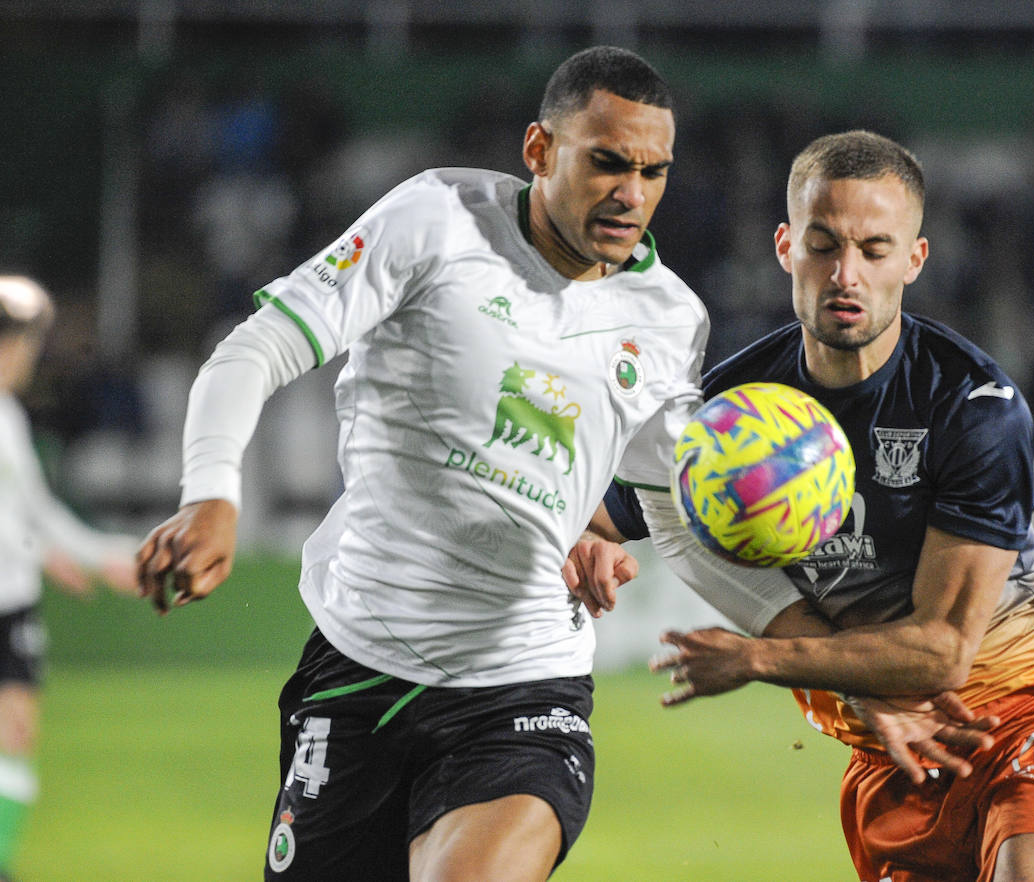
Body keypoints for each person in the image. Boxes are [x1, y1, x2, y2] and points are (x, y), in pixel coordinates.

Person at [135, 46, 701, 882]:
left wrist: (816, 660)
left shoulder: (669, 318)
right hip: (362, 661)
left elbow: (678, 507)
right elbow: (254, 349)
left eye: (654, 172)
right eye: (607, 162)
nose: (632, 194)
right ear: (540, 150)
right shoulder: (438, 217)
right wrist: (212, 493)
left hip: (524, 685)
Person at [592, 131, 1034, 882]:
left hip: (1027, 712)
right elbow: (606, 505)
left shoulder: (973, 405)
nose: (846, 275)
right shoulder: (732, 417)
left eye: (875, 251)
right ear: (786, 247)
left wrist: (758, 658)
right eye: (823, 246)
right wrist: (588, 541)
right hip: (891, 752)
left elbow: (942, 651)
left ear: (913, 260)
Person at [0, 274, 139, 881]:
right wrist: (52, 553)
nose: (27, 355)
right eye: (23, 342)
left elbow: (31, 512)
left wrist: (92, 554)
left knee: (16, 733)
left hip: (10, 603)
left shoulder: (6, 414)